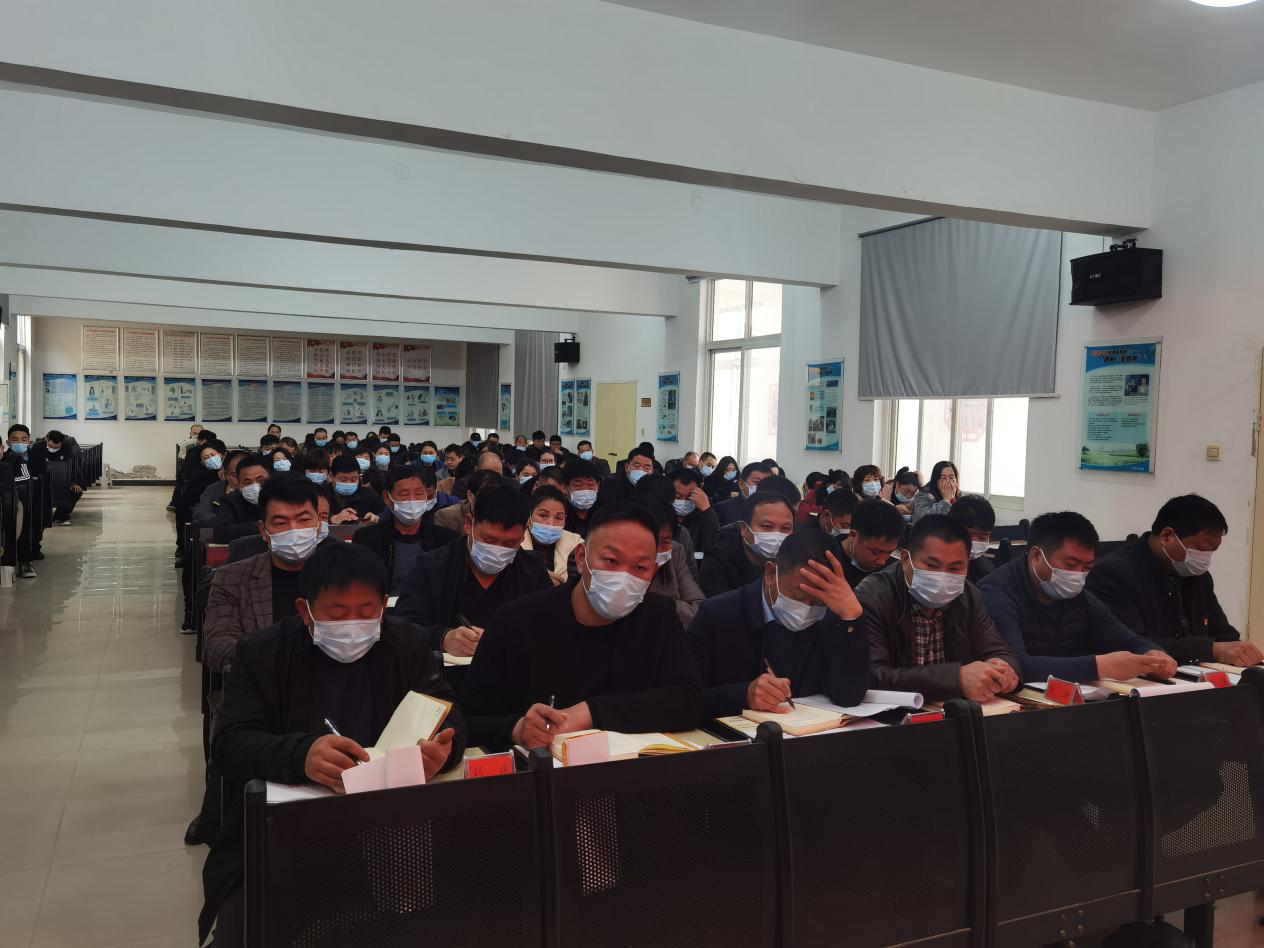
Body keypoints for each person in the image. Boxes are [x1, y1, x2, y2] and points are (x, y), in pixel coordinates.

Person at [200, 542, 465, 947]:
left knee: (437, 921)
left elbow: (449, 713)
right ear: (306, 610)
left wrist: (442, 753)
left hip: (391, 823)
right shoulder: (263, 653)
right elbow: (231, 743)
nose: (354, 625)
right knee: (253, 930)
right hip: (288, 831)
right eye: (338, 614)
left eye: (367, 611)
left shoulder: (406, 643)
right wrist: (302, 755)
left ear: (384, 605)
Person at [460, 502, 704, 750]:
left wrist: (590, 712)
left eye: (640, 567)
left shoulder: (658, 616)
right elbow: (470, 720)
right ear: (581, 557)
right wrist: (517, 728)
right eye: (611, 561)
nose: (624, 577)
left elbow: (689, 700)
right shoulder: (516, 621)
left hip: (633, 766)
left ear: (653, 571)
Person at [979, 512, 1176, 684]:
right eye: (1071, 565)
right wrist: (1100, 666)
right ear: (1036, 556)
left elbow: (1124, 638)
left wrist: (1151, 653)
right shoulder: (997, 593)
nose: (1078, 575)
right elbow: (1015, 666)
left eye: (1087, 567)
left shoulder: (1078, 595)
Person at [689, 529, 868, 717]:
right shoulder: (717, 615)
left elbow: (849, 696)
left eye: (818, 601)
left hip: (810, 729)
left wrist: (853, 619)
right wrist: (743, 695)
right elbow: (686, 698)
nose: (807, 607)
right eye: (799, 596)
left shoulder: (834, 618)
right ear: (770, 574)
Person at [859, 514, 1021, 701]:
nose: (942, 577)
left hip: (955, 712)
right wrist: (955, 679)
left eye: (954, 569)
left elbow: (1001, 652)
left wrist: (1002, 668)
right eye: (931, 565)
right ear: (905, 560)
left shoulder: (969, 596)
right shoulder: (873, 597)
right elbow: (871, 676)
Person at [1087, 494, 1263, 666]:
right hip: (1142, 677)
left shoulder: (1197, 575)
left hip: (1196, 674)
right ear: (1166, 536)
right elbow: (1131, 645)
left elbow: (1223, 634)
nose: (1206, 557)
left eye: (1213, 550)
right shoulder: (1112, 573)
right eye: (1202, 548)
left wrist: (1240, 651)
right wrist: (1211, 649)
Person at [393, 483, 550, 656]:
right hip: (447, 670)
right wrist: (443, 638)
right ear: (469, 524)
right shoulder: (432, 566)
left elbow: (549, 626)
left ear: (524, 534)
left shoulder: (532, 569)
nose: (498, 550)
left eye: (510, 543)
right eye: (489, 540)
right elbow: (402, 626)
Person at [203, 476, 325, 673]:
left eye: (304, 520)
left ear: (319, 522)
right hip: (264, 683)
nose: (294, 531)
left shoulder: (347, 572)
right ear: (263, 530)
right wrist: (280, 658)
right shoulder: (233, 577)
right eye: (281, 523)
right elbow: (216, 646)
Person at [352, 467, 458, 595]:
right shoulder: (366, 539)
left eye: (419, 494)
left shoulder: (445, 540)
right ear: (387, 497)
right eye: (404, 494)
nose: (412, 500)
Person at [699, 489, 794, 598]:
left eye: (785, 528)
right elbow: (720, 606)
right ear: (744, 528)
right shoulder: (718, 560)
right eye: (767, 526)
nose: (776, 535)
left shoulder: (795, 560)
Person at [641, 498, 706, 625]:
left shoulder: (675, 553)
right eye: (648, 541)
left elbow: (699, 608)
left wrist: (660, 606)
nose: (656, 549)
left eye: (665, 541)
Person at [1, 424, 44, 577]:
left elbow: (28, 480)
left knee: (24, 520)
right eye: (15, 440)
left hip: (23, 500)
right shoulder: (4, 458)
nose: (19, 443)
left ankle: (25, 561)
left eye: (23, 439)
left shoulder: (34, 458)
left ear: (29, 441)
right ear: (8, 442)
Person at [520, 486, 582, 586]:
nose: (551, 523)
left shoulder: (576, 543)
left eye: (559, 517)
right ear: (530, 515)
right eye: (543, 515)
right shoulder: (513, 542)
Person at [839, 498, 905, 588]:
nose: (881, 562)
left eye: (890, 552)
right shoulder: (825, 560)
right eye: (875, 552)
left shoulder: (894, 572)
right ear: (853, 536)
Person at [209, 456, 270, 543]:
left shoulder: (281, 498)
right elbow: (221, 532)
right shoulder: (228, 501)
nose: (255, 486)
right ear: (239, 483)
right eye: (247, 482)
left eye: (260, 480)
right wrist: (265, 526)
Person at [33, 429, 87, 525]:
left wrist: (74, 483)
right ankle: (43, 516)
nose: (55, 449)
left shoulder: (66, 446)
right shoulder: (37, 447)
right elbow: (33, 467)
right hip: (43, 481)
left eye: (58, 446)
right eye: (52, 446)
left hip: (62, 481)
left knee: (76, 491)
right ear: (47, 439)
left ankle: (60, 515)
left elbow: (72, 466)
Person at [948, 493, 997, 585]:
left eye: (982, 537)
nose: (974, 542)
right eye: (968, 534)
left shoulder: (986, 571)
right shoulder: (936, 565)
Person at [434, 468, 502, 534]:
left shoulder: (505, 514)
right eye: (485, 496)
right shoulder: (447, 517)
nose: (491, 501)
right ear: (470, 495)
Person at [670, 467, 720, 554]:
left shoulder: (705, 516)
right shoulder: (661, 517)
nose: (683, 501)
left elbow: (715, 544)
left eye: (689, 497)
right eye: (677, 497)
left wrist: (706, 509)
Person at [327, 454, 384, 524]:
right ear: (331, 476)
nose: (348, 483)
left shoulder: (369, 495)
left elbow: (386, 515)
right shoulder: (321, 494)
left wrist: (377, 518)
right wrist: (331, 519)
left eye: (353, 479)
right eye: (343, 480)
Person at [714, 461, 772, 526]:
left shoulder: (774, 510)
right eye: (757, 482)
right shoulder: (723, 509)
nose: (762, 487)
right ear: (741, 484)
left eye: (767, 483)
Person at [562, 458, 602, 538]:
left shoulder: (605, 513)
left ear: (598, 486)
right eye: (578, 485)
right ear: (565, 488)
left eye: (590, 485)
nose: (585, 490)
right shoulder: (559, 513)